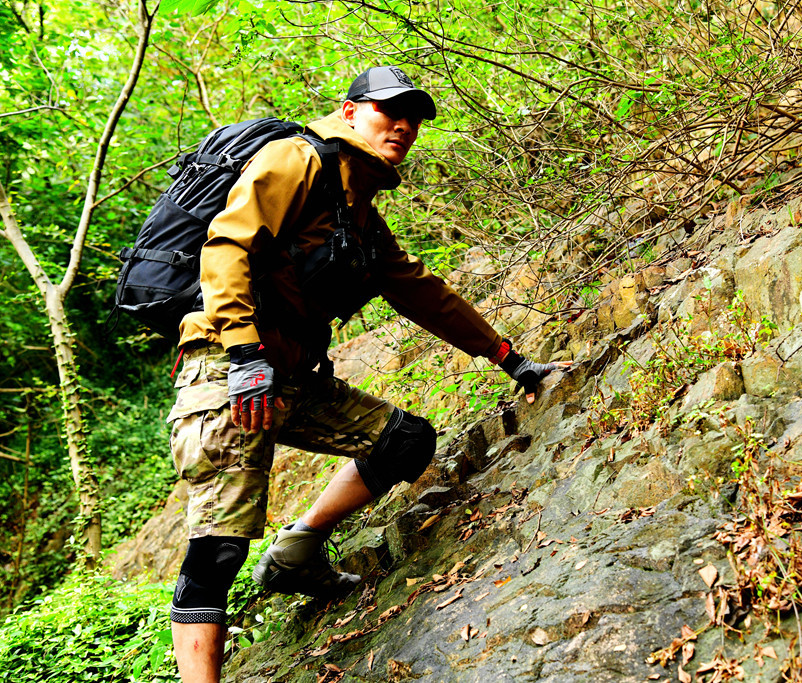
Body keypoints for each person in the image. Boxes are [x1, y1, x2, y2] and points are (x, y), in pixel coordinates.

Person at [167, 66, 569, 682]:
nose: (403, 125)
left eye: (413, 118)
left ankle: (297, 552)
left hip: (291, 374)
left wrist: (509, 359)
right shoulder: (294, 161)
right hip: (228, 368)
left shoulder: (357, 212)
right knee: (218, 547)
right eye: (389, 110)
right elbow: (226, 246)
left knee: (404, 440)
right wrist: (245, 355)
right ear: (351, 112)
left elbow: (422, 293)